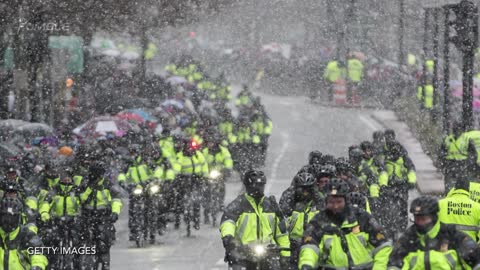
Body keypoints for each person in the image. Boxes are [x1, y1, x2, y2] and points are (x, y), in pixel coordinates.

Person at [298, 178, 392, 270]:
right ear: (326, 202)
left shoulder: (362, 217)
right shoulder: (317, 221)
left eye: (339, 202)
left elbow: (383, 246)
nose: (335, 206)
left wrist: (378, 267)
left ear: (346, 201)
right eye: (331, 202)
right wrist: (307, 264)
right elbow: (309, 247)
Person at [220, 170, 290, 269]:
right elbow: (228, 222)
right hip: (243, 252)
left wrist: (285, 255)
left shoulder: (270, 205)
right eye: (255, 185)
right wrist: (228, 237)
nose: (258, 188)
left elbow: (281, 233)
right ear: (248, 186)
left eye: (261, 185)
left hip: (268, 252)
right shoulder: (238, 204)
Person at [388, 196, 480, 270]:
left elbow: (476, 258)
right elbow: (393, 263)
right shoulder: (408, 238)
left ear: (434, 217)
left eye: (424, 219)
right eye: (417, 219)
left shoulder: (452, 234)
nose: (420, 223)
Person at [283, 172, 321, 267]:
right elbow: (282, 222)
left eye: (308, 189)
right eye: (302, 189)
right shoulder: (290, 203)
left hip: (313, 245)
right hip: (292, 247)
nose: (305, 192)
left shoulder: (318, 203)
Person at [0, 197, 48, 270]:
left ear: (19, 217)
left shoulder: (26, 234)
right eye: (4, 216)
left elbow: (38, 253)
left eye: (12, 217)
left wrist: (37, 266)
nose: (8, 221)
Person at [438, 177, 480, 242]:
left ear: (455, 188)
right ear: (468, 189)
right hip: (468, 245)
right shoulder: (477, 207)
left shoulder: (440, 204)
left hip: (445, 243)